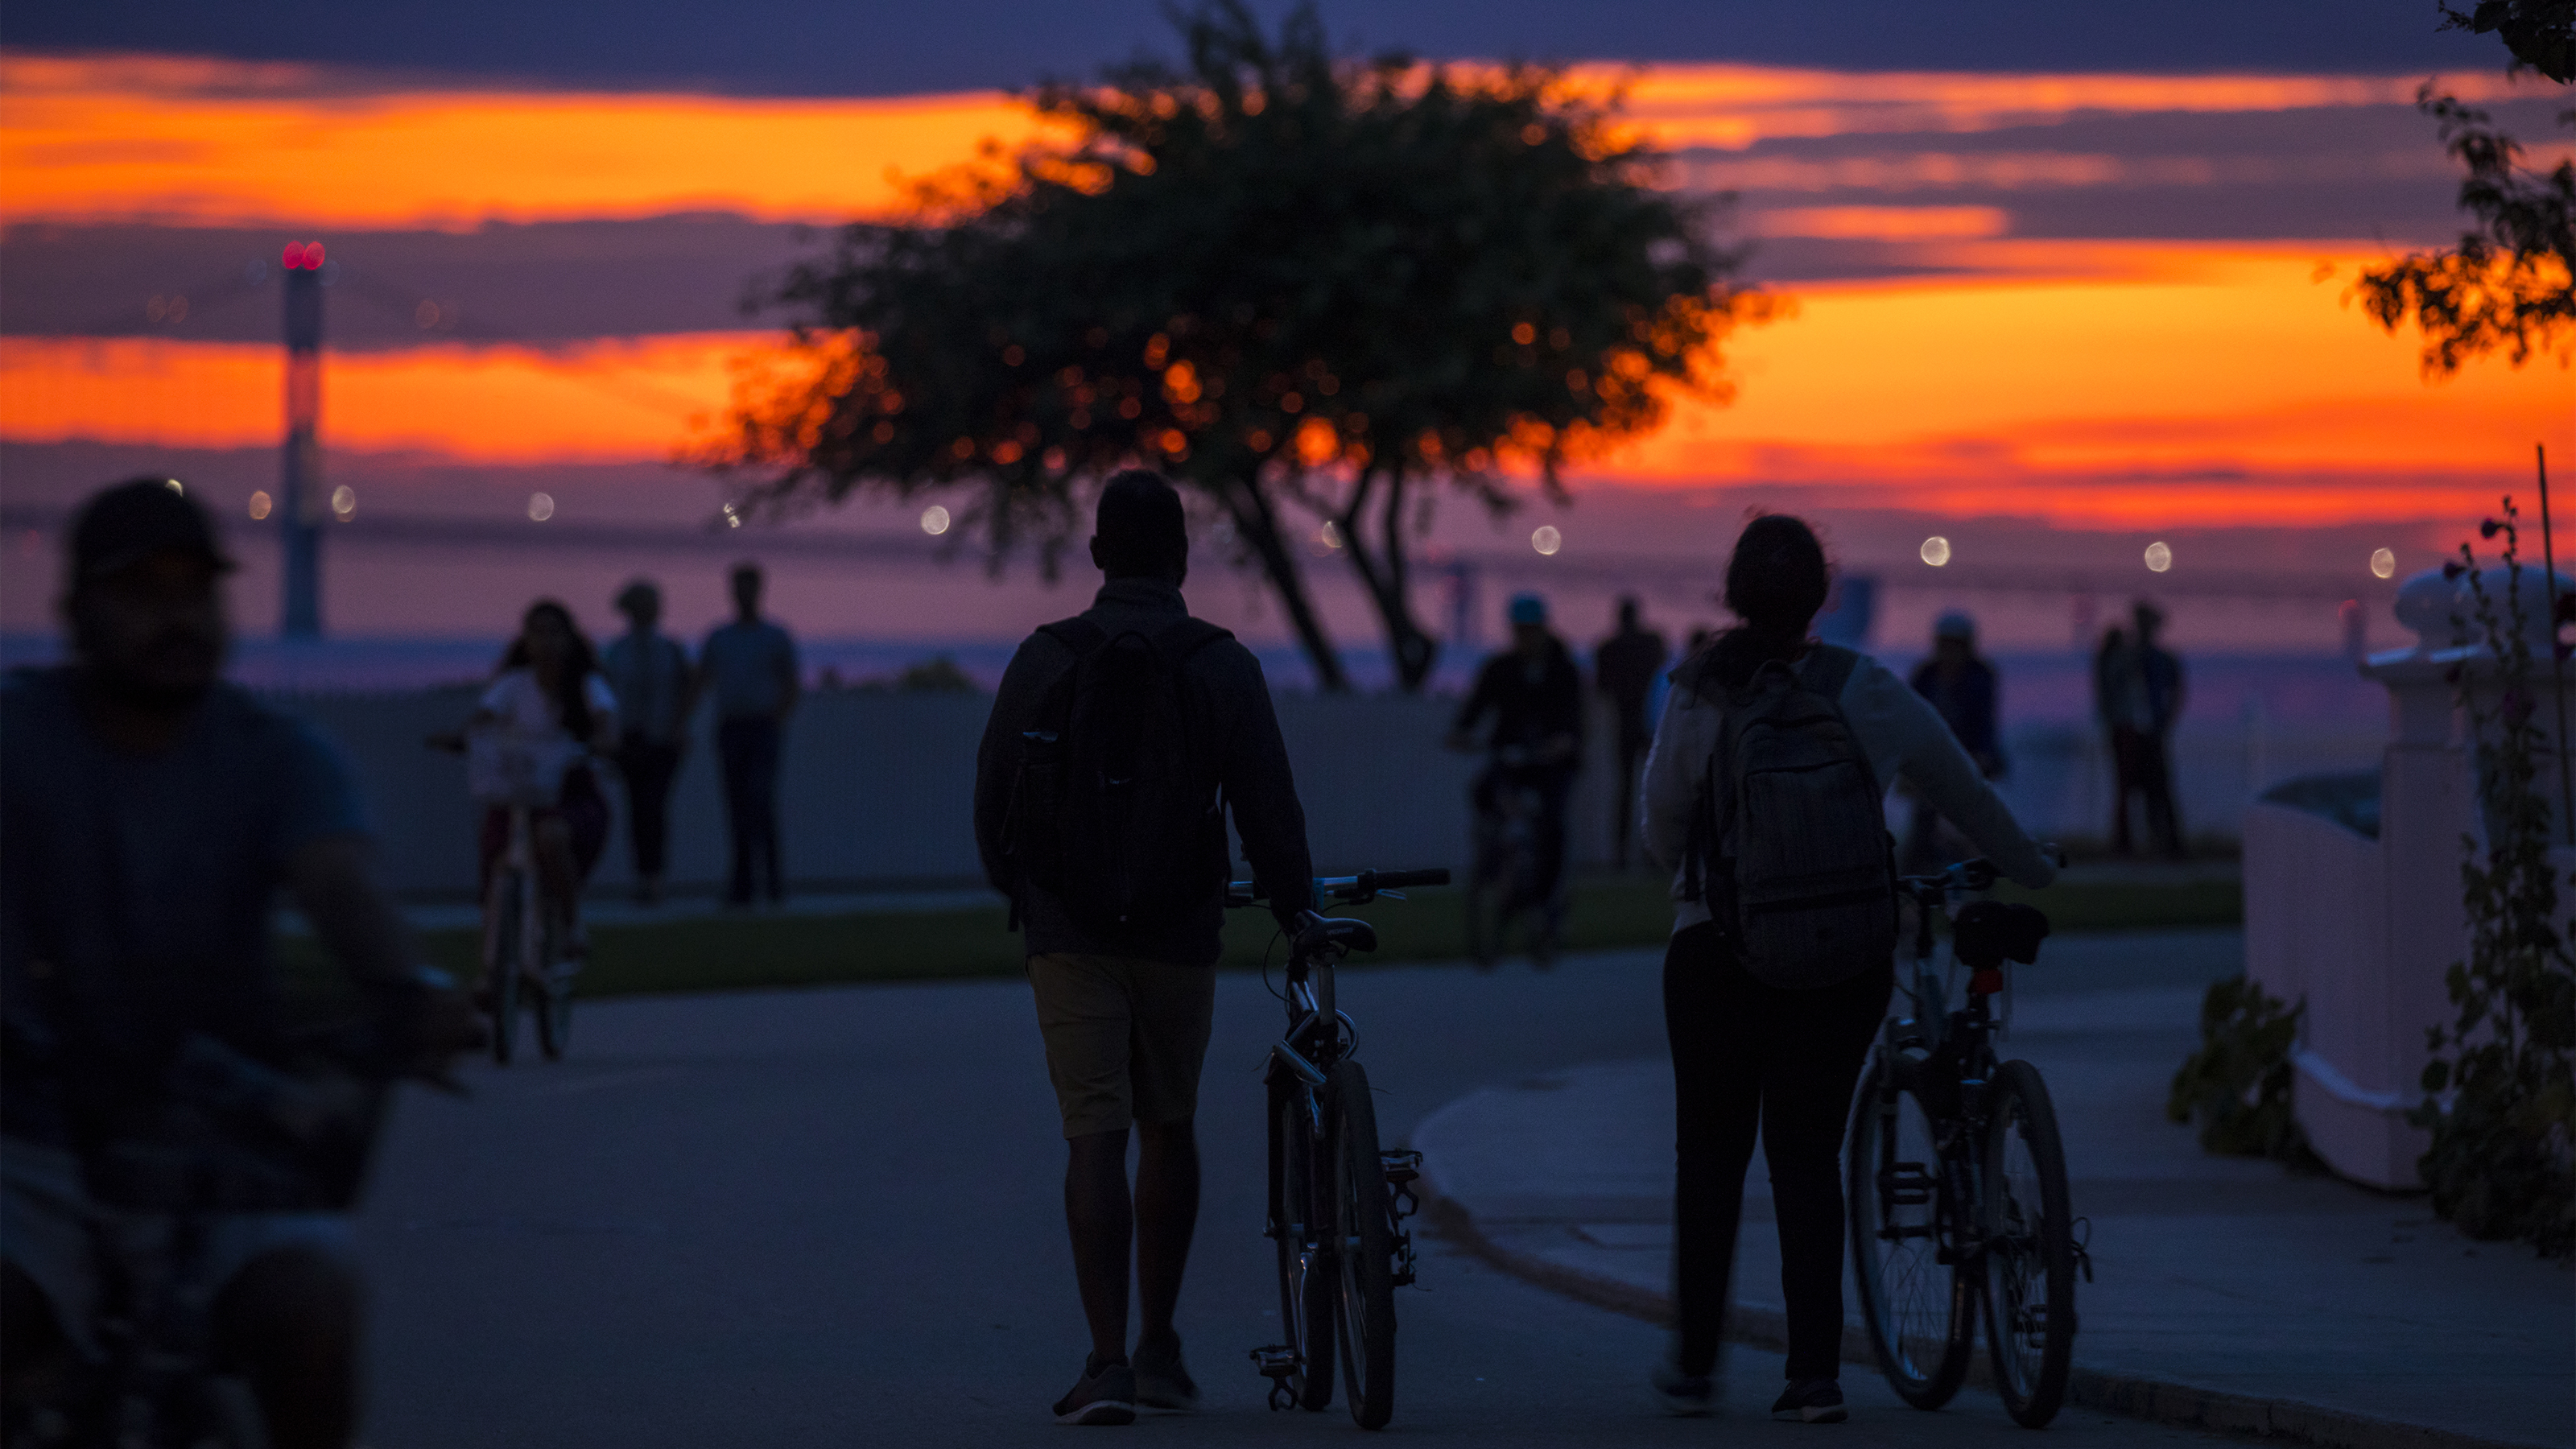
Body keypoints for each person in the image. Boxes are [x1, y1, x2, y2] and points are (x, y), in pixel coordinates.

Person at [2, 477, 478, 1449]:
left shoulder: (276, 755)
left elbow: (339, 884)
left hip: (222, 1132)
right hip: (26, 1133)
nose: (174, 618)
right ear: (76, 612)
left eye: (195, 592)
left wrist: (412, 992)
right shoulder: (18, 740)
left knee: (310, 1298)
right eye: (140, 593)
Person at [1639, 514, 2055, 1422]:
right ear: (1821, 598)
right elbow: (1961, 792)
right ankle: (1813, 1377)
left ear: (1734, 594)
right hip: (1840, 957)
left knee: (1710, 1156)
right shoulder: (1864, 688)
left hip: (1714, 950)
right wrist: (2032, 867)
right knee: (1806, 1156)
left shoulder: (1699, 687)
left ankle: (1696, 1365)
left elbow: (1659, 821)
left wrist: (1703, 880)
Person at [972, 470, 1315, 1426]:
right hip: (1177, 930)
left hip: (1068, 934)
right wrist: (1294, 909)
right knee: (1170, 1124)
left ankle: (1106, 1360)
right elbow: (1268, 812)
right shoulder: (1221, 665)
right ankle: (1162, 1347)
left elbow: (991, 801)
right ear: (1181, 556)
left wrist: (1035, 903)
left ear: (1094, 556)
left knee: (1094, 1134)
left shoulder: (1045, 659)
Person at [1445, 592, 1583, 964]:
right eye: (1519, 631)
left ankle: (1548, 902)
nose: (1524, 638)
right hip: (1508, 761)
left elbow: (1572, 721)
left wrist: (1563, 743)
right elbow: (1475, 709)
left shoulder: (1563, 670)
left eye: (1530, 630)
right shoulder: (1499, 669)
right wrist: (1460, 732)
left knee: (1553, 825)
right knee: (1485, 794)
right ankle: (1493, 860)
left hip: (1548, 766)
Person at [700, 563, 799, 905]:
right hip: (732, 727)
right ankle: (744, 886)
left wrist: (777, 718)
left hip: (761, 727)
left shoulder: (775, 637)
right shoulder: (720, 638)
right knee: (737, 806)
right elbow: (702, 680)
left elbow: (790, 683)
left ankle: (769, 883)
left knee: (759, 802)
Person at [601, 580, 696, 906]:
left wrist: (679, 728)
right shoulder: (618, 651)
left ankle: (653, 878)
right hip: (630, 739)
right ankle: (645, 877)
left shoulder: (669, 649)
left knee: (654, 808)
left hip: (661, 739)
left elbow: (685, 692)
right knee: (637, 809)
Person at [1903, 609, 2004, 872]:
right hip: (1933, 761)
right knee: (1924, 822)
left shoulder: (1980, 677)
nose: (1949, 651)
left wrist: (1983, 757)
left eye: (1954, 644)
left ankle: (1975, 873)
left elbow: (1984, 724)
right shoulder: (1926, 676)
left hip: (1969, 758)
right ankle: (1916, 877)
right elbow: (1911, 722)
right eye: (1945, 644)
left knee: (1972, 824)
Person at [2101, 602, 2186, 858]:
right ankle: (2130, 845)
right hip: (2130, 730)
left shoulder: (2160, 659)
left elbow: (2176, 689)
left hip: (2150, 731)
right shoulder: (2127, 657)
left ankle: (2164, 843)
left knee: (2158, 789)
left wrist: (2166, 720)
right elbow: (2109, 687)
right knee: (2131, 790)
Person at [1594, 596, 1670, 871]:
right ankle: (1652, 854)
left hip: (1625, 724)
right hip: (1651, 723)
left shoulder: (1609, 648)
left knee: (1625, 790)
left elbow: (1601, 687)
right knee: (1653, 790)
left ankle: (1621, 856)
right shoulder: (1651, 643)